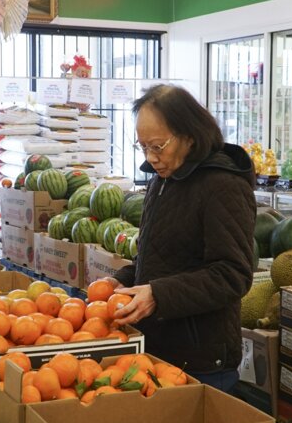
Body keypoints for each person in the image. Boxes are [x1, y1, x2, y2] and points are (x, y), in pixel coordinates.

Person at [110, 84, 257, 393]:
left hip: (201, 361)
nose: (151, 158)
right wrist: (123, 280)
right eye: (143, 147)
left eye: (158, 146)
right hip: (159, 349)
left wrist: (158, 295)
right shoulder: (163, 180)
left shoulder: (223, 186)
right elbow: (159, 253)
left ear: (189, 136)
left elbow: (232, 275)